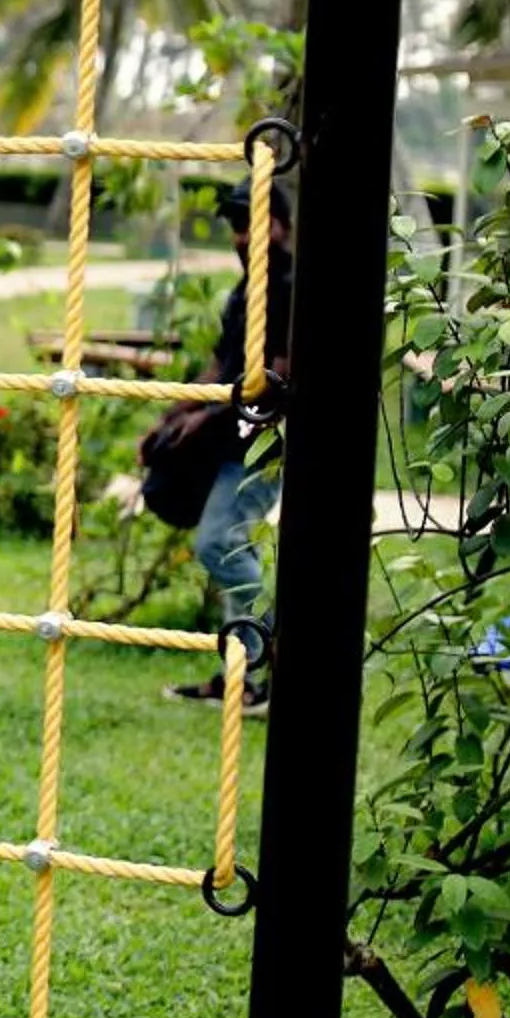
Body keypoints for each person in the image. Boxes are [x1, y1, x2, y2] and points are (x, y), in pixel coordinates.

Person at [140, 181, 292, 708]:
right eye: (235, 226)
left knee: (219, 545)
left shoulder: (290, 286)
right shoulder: (245, 290)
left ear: (281, 225)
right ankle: (242, 679)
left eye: (252, 223)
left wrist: (209, 418)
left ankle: (270, 654)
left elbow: (276, 378)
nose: (241, 236)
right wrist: (177, 415)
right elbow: (221, 365)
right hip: (230, 440)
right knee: (235, 547)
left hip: (264, 443)